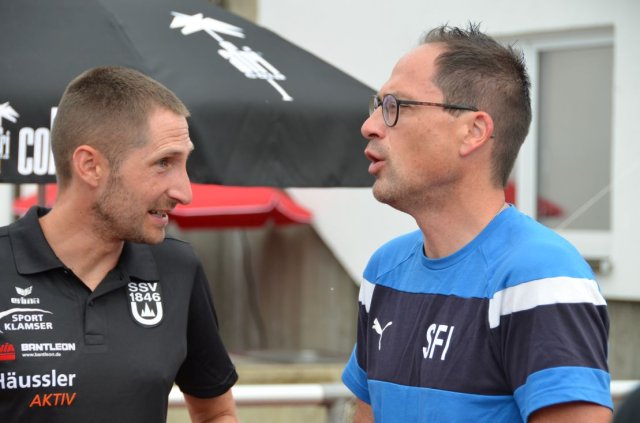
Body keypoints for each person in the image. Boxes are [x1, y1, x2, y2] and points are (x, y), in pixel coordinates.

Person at [341, 24, 612, 422]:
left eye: (396, 106)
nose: (371, 125)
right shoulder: (384, 271)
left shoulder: (539, 276)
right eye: (377, 105)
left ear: (473, 131)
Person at [0, 66, 239, 422]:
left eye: (184, 162)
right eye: (164, 163)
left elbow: (216, 413)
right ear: (90, 165)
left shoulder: (178, 268)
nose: (184, 192)